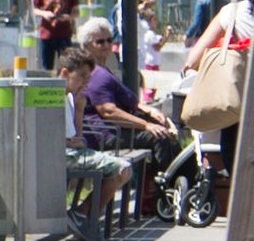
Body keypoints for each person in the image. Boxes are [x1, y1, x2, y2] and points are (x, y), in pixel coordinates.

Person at [71, 17, 181, 213]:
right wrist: (146, 125)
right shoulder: (95, 74)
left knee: (166, 135)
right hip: (106, 135)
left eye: (109, 40)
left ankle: (168, 192)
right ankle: (159, 196)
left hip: (114, 131)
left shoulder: (104, 70)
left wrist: (149, 110)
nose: (106, 45)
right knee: (160, 138)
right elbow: (108, 110)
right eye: (100, 42)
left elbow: (132, 102)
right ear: (88, 46)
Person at [31, 0, 75, 74]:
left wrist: (67, 17)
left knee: (66, 66)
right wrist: (44, 13)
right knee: (47, 67)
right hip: (47, 34)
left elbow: (76, 12)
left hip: (64, 34)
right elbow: (34, 10)